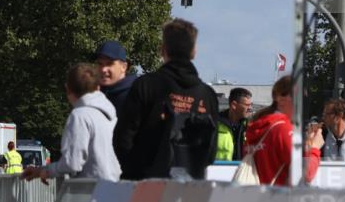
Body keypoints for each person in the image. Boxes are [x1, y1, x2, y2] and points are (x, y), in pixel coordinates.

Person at [113, 18, 219, 180]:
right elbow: (210, 151)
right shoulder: (208, 95)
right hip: (189, 192)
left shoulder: (145, 85)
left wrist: (136, 174)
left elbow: (122, 140)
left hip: (144, 188)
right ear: (193, 52)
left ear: (163, 50)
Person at [24, 63, 121, 183]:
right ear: (98, 88)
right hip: (114, 186)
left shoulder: (80, 116)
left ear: (68, 89)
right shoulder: (109, 113)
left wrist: (47, 171)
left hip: (92, 190)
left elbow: (73, 162)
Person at [244, 75, 321, 186]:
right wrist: (315, 148)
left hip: (258, 198)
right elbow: (305, 173)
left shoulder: (258, 127)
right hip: (279, 198)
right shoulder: (282, 129)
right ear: (280, 98)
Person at [95, 40, 136, 114]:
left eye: (109, 64)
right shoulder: (94, 95)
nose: (103, 69)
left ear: (123, 67)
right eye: (100, 63)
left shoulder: (135, 96)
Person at [215, 87, 253, 161]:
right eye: (247, 105)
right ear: (234, 105)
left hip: (242, 170)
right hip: (218, 171)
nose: (250, 108)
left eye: (251, 105)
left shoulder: (250, 126)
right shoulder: (214, 124)